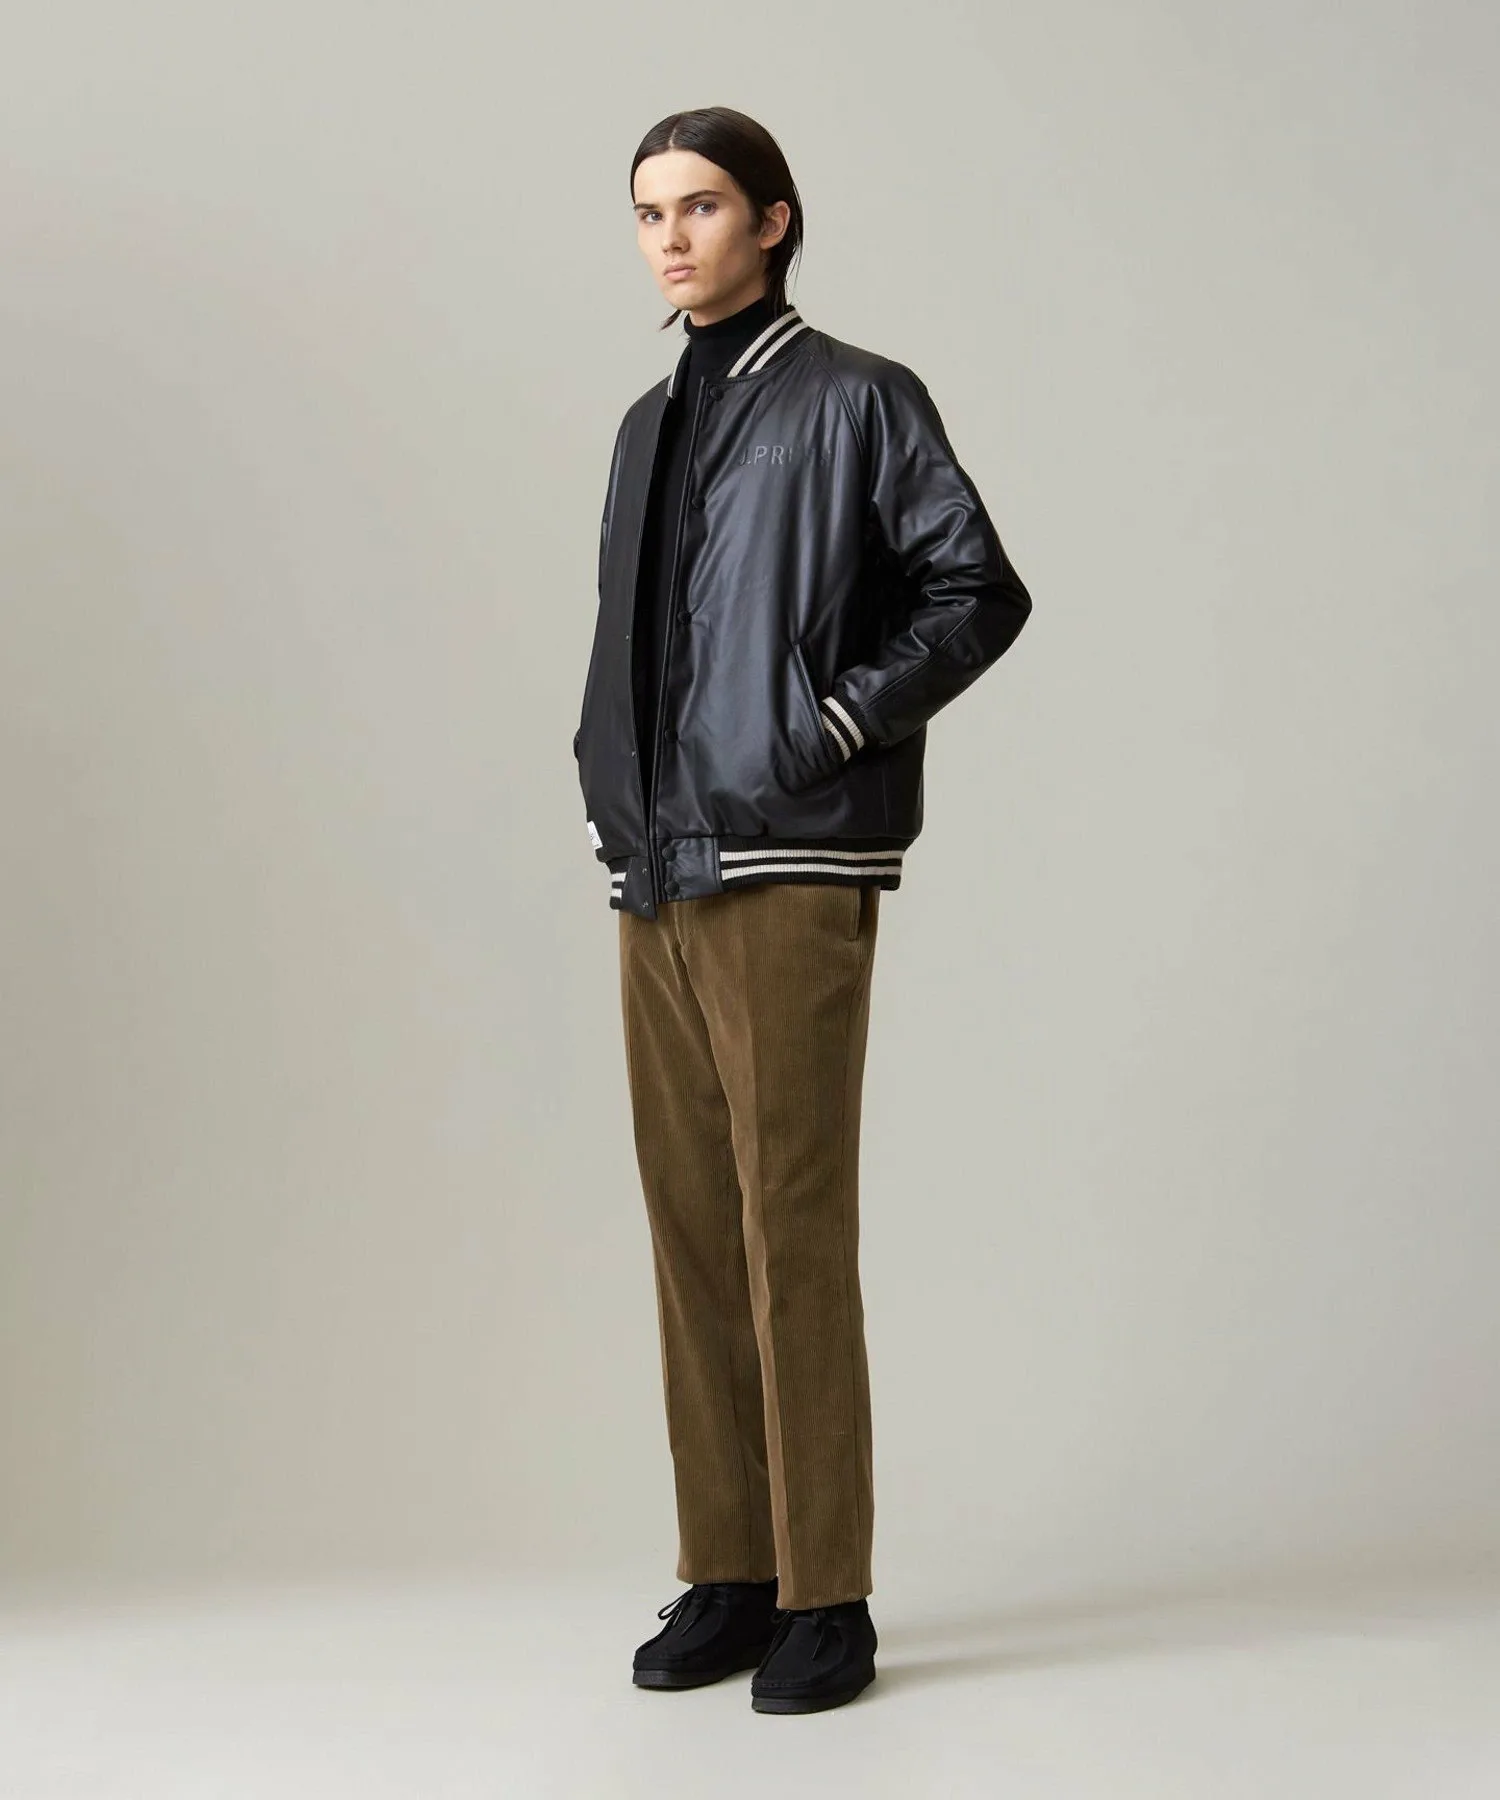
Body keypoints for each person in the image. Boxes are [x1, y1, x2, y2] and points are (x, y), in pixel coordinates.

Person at [573, 105, 1033, 1714]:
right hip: (656, 867)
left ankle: (827, 1592)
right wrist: (611, 787)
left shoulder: (856, 397)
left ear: (773, 220)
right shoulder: (646, 425)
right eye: (650, 213)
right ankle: (731, 1568)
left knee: (790, 1219)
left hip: (787, 863)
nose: (673, 237)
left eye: (702, 206)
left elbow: (975, 589)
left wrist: (827, 728)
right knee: (691, 1228)